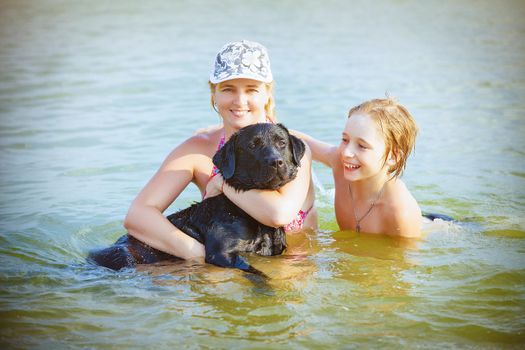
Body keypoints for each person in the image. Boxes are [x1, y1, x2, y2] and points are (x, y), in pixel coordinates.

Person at [123, 40, 317, 261]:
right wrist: (195, 252)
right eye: (228, 89)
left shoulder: (289, 149)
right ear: (213, 94)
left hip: (292, 264)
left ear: (267, 94)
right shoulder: (197, 149)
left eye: (251, 90)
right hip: (223, 261)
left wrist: (223, 184)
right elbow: (137, 215)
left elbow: (279, 214)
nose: (240, 100)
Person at [296, 97, 422, 238]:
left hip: (436, 226)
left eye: (362, 146)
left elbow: (407, 258)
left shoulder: (400, 213)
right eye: (345, 140)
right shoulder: (339, 162)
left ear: (393, 156)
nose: (346, 152)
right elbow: (303, 142)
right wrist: (268, 125)